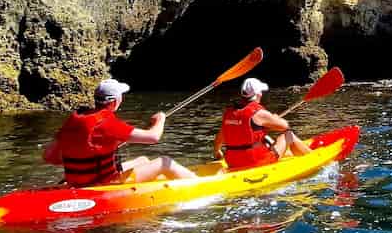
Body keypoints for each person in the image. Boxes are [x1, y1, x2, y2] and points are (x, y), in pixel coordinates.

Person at [43, 78, 196, 186]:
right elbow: (153, 137)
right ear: (115, 101)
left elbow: (49, 157)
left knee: (143, 160)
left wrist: (82, 156)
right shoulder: (108, 123)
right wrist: (160, 119)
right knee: (165, 162)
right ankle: (200, 184)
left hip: (77, 181)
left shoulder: (74, 119)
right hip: (103, 183)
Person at [213, 77, 312, 170]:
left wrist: (217, 152)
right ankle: (312, 159)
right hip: (254, 161)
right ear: (257, 94)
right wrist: (274, 118)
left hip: (232, 162)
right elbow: (285, 126)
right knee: (288, 135)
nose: (261, 93)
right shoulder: (259, 113)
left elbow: (219, 138)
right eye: (260, 91)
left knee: (264, 138)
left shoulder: (229, 113)